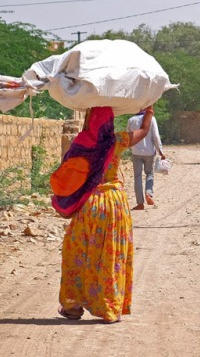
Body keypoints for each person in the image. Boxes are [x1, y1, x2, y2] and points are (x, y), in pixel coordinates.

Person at [51, 105, 155, 323]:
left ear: (89, 120)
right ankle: (110, 308)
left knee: (78, 252)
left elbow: (68, 170)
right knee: (110, 253)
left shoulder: (80, 143)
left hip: (87, 203)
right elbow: (144, 131)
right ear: (109, 122)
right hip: (113, 204)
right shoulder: (117, 141)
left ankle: (73, 306)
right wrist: (149, 112)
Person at [126, 110, 165, 210]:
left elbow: (127, 136)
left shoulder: (131, 120)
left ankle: (140, 203)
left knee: (137, 176)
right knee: (149, 173)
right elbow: (156, 136)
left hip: (136, 152)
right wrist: (160, 151)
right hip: (149, 153)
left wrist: (129, 148)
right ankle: (148, 193)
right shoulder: (151, 119)